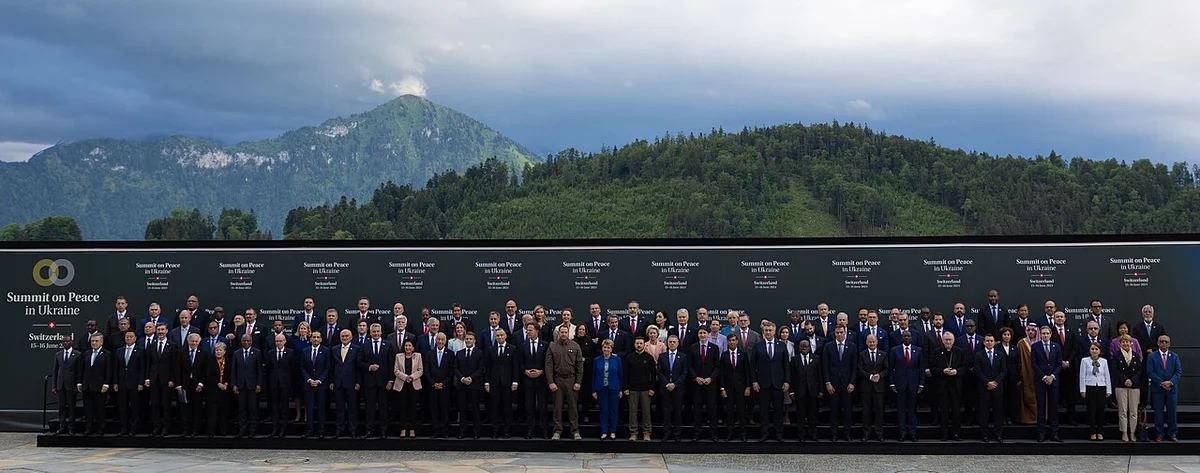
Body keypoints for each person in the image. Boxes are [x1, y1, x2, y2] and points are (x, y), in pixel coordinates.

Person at [546, 325, 584, 440]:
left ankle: (575, 431)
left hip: (571, 380)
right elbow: (548, 366)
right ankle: (557, 431)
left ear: (568, 333)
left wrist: (578, 382)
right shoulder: (552, 346)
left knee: (573, 407)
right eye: (561, 332)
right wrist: (551, 382)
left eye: (565, 332)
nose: (563, 334)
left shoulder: (575, 346)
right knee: (557, 407)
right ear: (558, 333)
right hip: (557, 380)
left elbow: (580, 366)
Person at [360, 323, 394, 439]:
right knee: (369, 407)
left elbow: (391, 363)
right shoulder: (365, 345)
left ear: (381, 332)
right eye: (373, 332)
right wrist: (369, 367)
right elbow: (359, 362)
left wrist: (390, 380)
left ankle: (383, 431)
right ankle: (369, 430)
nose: (375, 333)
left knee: (383, 407)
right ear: (370, 332)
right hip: (370, 382)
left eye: (377, 331)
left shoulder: (388, 345)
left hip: (383, 382)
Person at [889, 330, 924, 442]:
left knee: (912, 410)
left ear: (912, 338)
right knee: (901, 410)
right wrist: (892, 382)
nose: (907, 338)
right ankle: (902, 433)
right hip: (900, 384)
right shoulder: (895, 350)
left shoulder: (918, 350)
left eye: (908, 336)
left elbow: (921, 368)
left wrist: (921, 383)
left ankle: (912, 433)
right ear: (901, 338)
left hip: (913, 384)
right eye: (904, 336)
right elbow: (890, 368)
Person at [822, 325, 855, 441]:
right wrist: (827, 382)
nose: (839, 335)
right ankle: (834, 433)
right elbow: (825, 366)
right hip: (833, 384)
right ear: (834, 333)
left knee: (847, 409)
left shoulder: (852, 346)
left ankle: (847, 433)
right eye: (837, 333)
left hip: (847, 384)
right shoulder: (828, 346)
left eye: (841, 332)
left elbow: (854, 366)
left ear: (845, 333)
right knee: (834, 409)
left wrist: (852, 382)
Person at [1146, 335, 1181, 441]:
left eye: (1166, 342)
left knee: (1172, 412)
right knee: (1158, 413)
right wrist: (1161, 383)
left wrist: (1170, 382)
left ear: (1169, 344)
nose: (1164, 343)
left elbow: (1178, 371)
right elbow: (1150, 372)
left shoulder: (1175, 356)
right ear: (1158, 343)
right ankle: (1159, 434)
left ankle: (1172, 434)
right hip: (1157, 389)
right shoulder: (1152, 356)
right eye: (1162, 341)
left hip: (1171, 389)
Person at [689, 327, 721, 441]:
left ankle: (713, 434)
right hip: (697, 384)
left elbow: (717, 366)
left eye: (704, 333)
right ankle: (697, 433)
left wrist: (711, 378)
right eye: (700, 333)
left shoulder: (714, 348)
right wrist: (695, 377)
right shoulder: (693, 348)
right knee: (697, 410)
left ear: (708, 334)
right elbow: (690, 366)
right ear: (698, 335)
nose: (702, 335)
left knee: (711, 409)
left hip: (710, 384)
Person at [1031, 326, 1062, 442]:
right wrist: (1044, 377)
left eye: (1047, 333)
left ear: (1050, 334)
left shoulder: (1056, 346)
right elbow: (1034, 364)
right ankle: (1041, 433)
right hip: (1041, 380)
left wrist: (1052, 376)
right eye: (1043, 333)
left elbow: (1059, 363)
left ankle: (1054, 434)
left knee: (1053, 407)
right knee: (1041, 407)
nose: (1045, 335)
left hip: (1053, 380)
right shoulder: (1035, 346)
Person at [931, 332, 964, 441]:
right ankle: (944, 434)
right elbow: (932, 368)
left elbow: (965, 367)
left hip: (955, 386)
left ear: (953, 341)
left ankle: (956, 434)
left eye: (950, 340)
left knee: (956, 412)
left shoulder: (959, 352)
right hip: (942, 386)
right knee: (944, 412)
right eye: (946, 340)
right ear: (942, 340)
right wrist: (942, 371)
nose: (948, 342)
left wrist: (957, 371)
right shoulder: (936, 352)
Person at [624, 336, 657, 442]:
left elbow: (653, 374)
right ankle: (633, 433)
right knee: (632, 413)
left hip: (646, 389)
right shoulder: (629, 357)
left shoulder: (649, 358)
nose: (639, 345)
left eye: (641, 343)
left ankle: (646, 433)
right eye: (637, 343)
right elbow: (626, 375)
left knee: (646, 412)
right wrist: (626, 388)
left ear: (644, 345)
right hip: (632, 389)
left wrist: (652, 388)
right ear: (634, 345)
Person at [113, 330, 145, 437]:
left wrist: (141, 382)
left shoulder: (140, 351)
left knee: (135, 408)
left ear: (135, 338)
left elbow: (142, 368)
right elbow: (116, 368)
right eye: (127, 337)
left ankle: (133, 429)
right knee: (122, 408)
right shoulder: (119, 351)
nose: (129, 338)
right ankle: (124, 429)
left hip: (135, 384)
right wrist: (115, 383)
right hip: (122, 384)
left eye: (131, 337)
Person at [231, 333, 263, 438]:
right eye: (244, 341)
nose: (246, 342)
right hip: (240, 386)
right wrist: (234, 384)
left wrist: (259, 384)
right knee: (242, 409)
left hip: (252, 385)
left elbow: (259, 370)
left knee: (253, 409)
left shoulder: (257, 353)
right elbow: (233, 370)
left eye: (248, 341)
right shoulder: (236, 353)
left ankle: (252, 431)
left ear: (251, 341)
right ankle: (242, 430)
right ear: (241, 342)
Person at [975, 334, 1006, 443]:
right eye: (987, 340)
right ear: (984, 342)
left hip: (997, 387)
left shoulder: (1000, 355)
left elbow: (1003, 371)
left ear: (994, 342)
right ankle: (984, 435)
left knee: (998, 412)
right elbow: (978, 371)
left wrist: (995, 382)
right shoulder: (979, 355)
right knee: (984, 412)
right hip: (984, 388)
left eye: (991, 341)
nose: (989, 342)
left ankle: (998, 435)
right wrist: (988, 382)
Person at [1111, 335, 1142, 442]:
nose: (1125, 343)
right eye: (1123, 342)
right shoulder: (1116, 355)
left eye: (1127, 342)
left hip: (1134, 386)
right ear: (1120, 343)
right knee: (1123, 410)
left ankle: (1132, 432)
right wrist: (1124, 380)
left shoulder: (1136, 355)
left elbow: (1139, 370)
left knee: (1133, 411)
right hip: (1120, 385)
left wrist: (1132, 380)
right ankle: (1124, 432)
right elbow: (1114, 370)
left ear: (1131, 343)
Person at [330, 329, 361, 438]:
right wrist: (332, 381)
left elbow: (358, 367)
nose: (344, 338)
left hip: (351, 383)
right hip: (338, 383)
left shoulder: (357, 349)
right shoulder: (334, 349)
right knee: (339, 408)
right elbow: (332, 367)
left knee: (352, 408)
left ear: (351, 337)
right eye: (342, 336)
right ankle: (340, 429)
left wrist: (358, 381)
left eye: (347, 336)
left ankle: (353, 430)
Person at [78, 334, 111, 436]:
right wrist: (79, 382)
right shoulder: (86, 353)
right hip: (87, 385)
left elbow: (109, 370)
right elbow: (81, 369)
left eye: (96, 341)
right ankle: (89, 428)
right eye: (92, 341)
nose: (94, 343)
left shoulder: (106, 354)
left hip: (100, 386)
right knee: (88, 409)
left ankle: (101, 429)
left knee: (100, 409)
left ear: (101, 342)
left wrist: (106, 383)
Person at [520, 323, 549, 439]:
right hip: (528, 380)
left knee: (542, 406)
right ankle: (530, 430)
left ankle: (544, 430)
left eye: (530, 330)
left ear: (536, 331)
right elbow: (520, 363)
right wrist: (525, 371)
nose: (528, 332)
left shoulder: (545, 345)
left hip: (541, 380)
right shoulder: (523, 346)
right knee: (529, 406)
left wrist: (541, 371)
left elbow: (548, 362)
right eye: (527, 330)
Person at [658, 335, 688, 441]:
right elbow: (659, 372)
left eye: (674, 342)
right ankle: (666, 433)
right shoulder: (662, 356)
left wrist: (675, 384)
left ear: (678, 343)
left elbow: (684, 372)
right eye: (670, 342)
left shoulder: (683, 356)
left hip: (678, 388)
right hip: (665, 388)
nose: (672, 344)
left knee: (677, 411)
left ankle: (677, 434)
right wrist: (667, 384)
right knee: (666, 411)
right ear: (667, 343)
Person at [1079, 342, 1112, 440]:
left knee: (1100, 410)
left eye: (1096, 349)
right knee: (1091, 410)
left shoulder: (1104, 361)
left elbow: (1107, 376)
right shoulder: (1085, 361)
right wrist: (1082, 390)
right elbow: (1082, 376)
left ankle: (1100, 431)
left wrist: (1108, 390)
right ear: (1089, 350)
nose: (1094, 351)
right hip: (1090, 386)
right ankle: (1093, 431)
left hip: (1101, 386)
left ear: (1100, 351)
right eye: (1092, 349)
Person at [858, 333, 887, 441]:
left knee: (879, 411)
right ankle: (866, 433)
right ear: (866, 343)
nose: (872, 344)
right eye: (870, 342)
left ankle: (879, 433)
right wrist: (870, 376)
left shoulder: (883, 354)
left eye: (873, 341)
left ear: (877, 342)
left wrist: (880, 375)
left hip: (879, 388)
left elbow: (886, 369)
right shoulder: (862, 355)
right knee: (866, 412)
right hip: (866, 388)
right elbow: (859, 370)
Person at [592, 339, 624, 439]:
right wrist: (593, 390)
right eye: (604, 347)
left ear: (611, 349)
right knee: (603, 410)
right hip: (601, 388)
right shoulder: (597, 360)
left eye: (608, 347)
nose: (606, 349)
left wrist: (621, 389)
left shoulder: (617, 360)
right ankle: (604, 430)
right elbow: (594, 375)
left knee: (613, 410)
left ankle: (613, 431)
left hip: (614, 388)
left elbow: (620, 375)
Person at [721, 334, 750, 441]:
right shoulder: (724, 355)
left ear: (737, 342)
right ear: (727, 342)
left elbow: (747, 371)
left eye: (734, 340)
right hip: (728, 388)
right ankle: (730, 433)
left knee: (741, 410)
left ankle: (743, 433)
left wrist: (748, 387)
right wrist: (722, 388)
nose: (732, 342)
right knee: (729, 411)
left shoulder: (743, 354)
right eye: (730, 341)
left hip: (741, 387)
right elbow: (722, 373)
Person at [300, 331, 329, 439]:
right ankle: (309, 430)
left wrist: (320, 380)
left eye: (318, 337)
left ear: (321, 339)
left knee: (321, 408)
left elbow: (327, 367)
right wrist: (309, 379)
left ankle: (321, 430)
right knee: (310, 408)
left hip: (321, 384)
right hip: (308, 384)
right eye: (314, 337)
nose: (316, 339)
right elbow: (302, 367)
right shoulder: (305, 351)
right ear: (311, 339)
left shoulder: (326, 351)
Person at [392, 339, 423, 438]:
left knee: (413, 408)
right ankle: (403, 429)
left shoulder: (418, 356)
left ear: (413, 347)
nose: (408, 347)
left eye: (410, 346)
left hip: (414, 384)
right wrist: (406, 377)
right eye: (406, 346)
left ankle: (412, 429)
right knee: (402, 407)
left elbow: (420, 370)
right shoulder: (398, 356)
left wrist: (412, 377)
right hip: (402, 385)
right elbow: (396, 370)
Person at [177, 333, 207, 438]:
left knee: (196, 408)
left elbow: (205, 370)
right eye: (192, 341)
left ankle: (195, 430)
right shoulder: (181, 352)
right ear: (188, 341)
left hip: (197, 386)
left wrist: (201, 383)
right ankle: (186, 429)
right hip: (184, 385)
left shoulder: (203, 353)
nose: (194, 343)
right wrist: (179, 384)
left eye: (196, 341)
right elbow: (177, 369)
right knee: (185, 408)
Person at [425, 332, 454, 438]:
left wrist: (443, 383)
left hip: (445, 387)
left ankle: (444, 430)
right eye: (438, 339)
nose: (440, 341)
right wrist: (433, 383)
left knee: (444, 409)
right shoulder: (430, 353)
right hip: (433, 387)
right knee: (434, 409)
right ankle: (436, 430)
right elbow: (427, 371)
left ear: (445, 341)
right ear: (436, 341)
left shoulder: (450, 354)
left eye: (442, 340)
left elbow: (451, 371)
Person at [52, 336, 81, 436]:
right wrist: (54, 386)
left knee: (71, 407)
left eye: (67, 341)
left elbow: (79, 372)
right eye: (64, 341)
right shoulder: (58, 354)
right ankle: (62, 427)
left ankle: (71, 428)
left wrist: (77, 384)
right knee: (61, 407)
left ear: (71, 342)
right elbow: (55, 371)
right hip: (61, 385)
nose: (65, 343)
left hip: (71, 385)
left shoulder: (77, 355)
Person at [205, 342, 232, 437]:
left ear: (224, 351)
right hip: (213, 390)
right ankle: (211, 432)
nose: (218, 352)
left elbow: (230, 373)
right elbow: (208, 375)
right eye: (217, 350)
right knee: (212, 413)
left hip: (225, 390)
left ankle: (223, 431)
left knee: (223, 413)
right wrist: (218, 384)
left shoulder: (228, 361)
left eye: (220, 350)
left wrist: (226, 383)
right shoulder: (210, 361)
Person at [1015, 323, 1039, 424]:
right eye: (1028, 330)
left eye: (1033, 330)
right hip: (1025, 374)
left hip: (1039, 375)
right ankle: (1026, 419)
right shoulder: (1021, 343)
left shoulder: (1041, 342)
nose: (1031, 332)